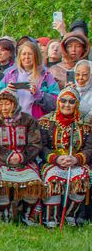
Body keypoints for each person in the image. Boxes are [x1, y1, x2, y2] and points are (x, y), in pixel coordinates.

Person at [0, 89, 43, 224]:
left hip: (25, 161)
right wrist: (7, 156)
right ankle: (5, 218)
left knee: (34, 184)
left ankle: (27, 216)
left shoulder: (28, 120)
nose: (3, 108)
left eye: (7, 104)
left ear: (15, 104)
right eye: (0, 105)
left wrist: (22, 156)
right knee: (2, 184)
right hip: (2, 161)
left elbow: (35, 143)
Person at [38, 88, 92, 227]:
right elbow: (40, 147)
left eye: (71, 101)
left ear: (77, 104)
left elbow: (90, 148)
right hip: (53, 161)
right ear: (58, 102)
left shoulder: (86, 123)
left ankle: (70, 215)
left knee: (81, 178)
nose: (66, 105)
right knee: (53, 179)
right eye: (63, 100)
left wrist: (76, 159)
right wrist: (55, 158)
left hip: (76, 161)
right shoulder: (46, 121)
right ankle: (51, 218)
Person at [0, 37, 58, 118]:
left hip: (37, 122)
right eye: (24, 54)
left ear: (36, 56)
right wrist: (5, 92)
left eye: (30, 54)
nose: (26, 57)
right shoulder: (11, 75)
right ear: (19, 57)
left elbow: (56, 102)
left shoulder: (46, 76)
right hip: (12, 121)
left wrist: (39, 94)